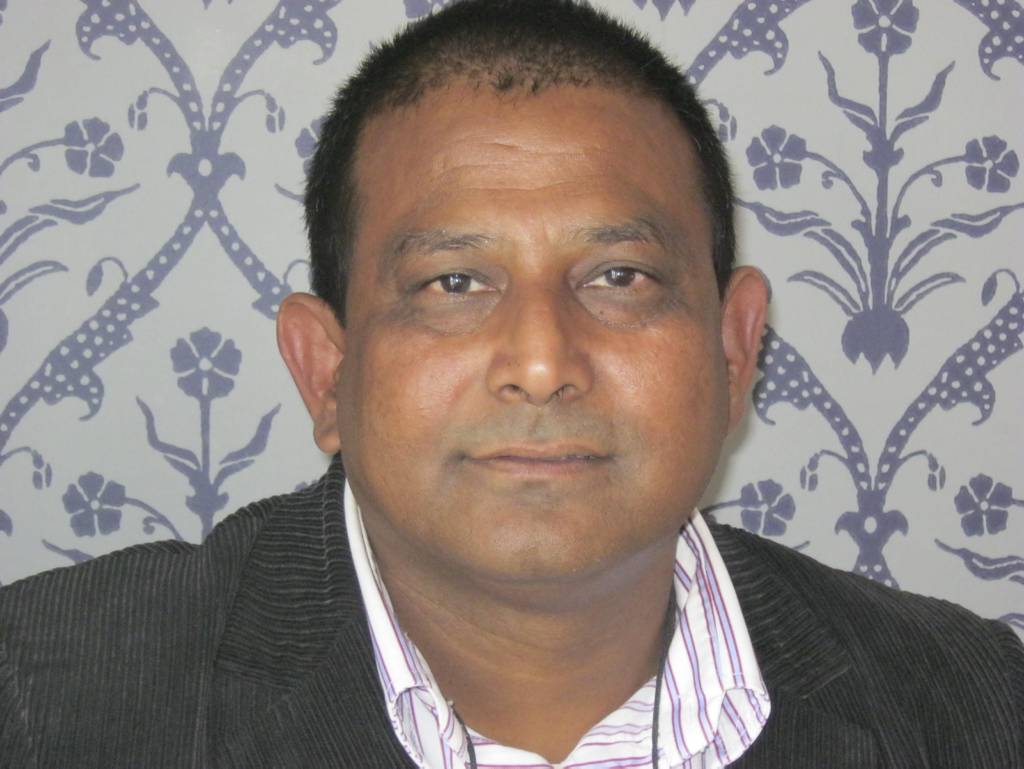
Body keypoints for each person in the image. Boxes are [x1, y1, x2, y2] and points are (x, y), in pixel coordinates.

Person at [1, 1, 1022, 767]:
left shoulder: (979, 707)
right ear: (327, 370)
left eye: (619, 278)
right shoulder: (40, 700)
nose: (540, 363)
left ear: (733, 349)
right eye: (452, 283)